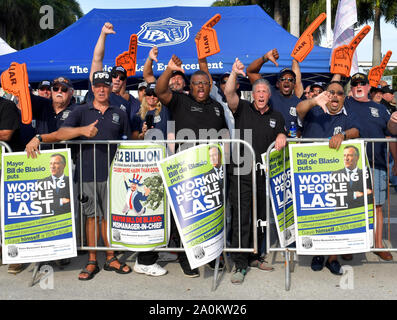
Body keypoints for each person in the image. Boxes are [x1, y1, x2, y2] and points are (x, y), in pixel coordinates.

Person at [26, 70, 133, 280]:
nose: (102, 89)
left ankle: (111, 257)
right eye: (98, 85)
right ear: (92, 88)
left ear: (111, 88)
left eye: (105, 85)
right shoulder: (81, 111)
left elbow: (128, 139)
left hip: (114, 175)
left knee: (108, 218)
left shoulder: (119, 112)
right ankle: (92, 259)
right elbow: (61, 134)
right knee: (92, 217)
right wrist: (81, 131)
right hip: (87, 174)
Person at [155, 54, 228, 278]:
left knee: (210, 211)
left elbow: (225, 134)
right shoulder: (180, 100)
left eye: (205, 83)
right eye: (197, 83)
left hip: (210, 171)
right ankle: (187, 259)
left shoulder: (217, 107)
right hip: (185, 171)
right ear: (191, 85)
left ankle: (214, 253)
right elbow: (159, 91)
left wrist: (221, 149)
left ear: (209, 86)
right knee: (185, 215)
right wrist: (168, 69)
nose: (201, 87)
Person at [224, 58, 287, 284]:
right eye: (257, 90)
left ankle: (256, 256)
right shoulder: (242, 108)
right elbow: (229, 93)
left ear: (269, 95)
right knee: (242, 218)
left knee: (261, 218)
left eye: (264, 91)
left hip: (263, 175)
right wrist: (233, 73)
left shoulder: (276, 116)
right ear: (253, 93)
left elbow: (282, 133)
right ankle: (239, 264)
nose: (261, 94)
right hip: (241, 173)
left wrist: (282, 136)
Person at [297, 83, 362, 274]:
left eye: (339, 93)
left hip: (338, 176)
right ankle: (317, 253)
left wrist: (343, 135)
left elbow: (356, 131)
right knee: (316, 214)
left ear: (344, 97)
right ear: (326, 94)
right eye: (331, 92)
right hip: (313, 176)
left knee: (337, 214)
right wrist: (313, 101)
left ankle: (332, 258)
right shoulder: (314, 109)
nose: (334, 97)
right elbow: (300, 110)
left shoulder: (349, 114)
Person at [344, 72, 394, 261]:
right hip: (352, 166)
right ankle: (348, 245)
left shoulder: (380, 109)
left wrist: (396, 161)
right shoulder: (346, 104)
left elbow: (391, 133)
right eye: (354, 83)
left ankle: (378, 244)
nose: (358, 86)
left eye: (362, 83)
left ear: (368, 87)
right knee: (350, 205)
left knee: (377, 206)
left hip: (377, 162)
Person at [87, 22, 140, 125]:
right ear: (109, 78)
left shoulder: (125, 104)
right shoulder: (98, 92)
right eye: (114, 76)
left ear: (124, 82)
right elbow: (97, 60)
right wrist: (103, 34)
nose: (117, 79)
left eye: (121, 78)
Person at [246, 48, 303, 133]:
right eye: (283, 79)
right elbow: (251, 72)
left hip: (289, 144)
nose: (286, 81)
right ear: (277, 84)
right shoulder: (270, 93)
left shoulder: (299, 102)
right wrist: (264, 58)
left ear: (294, 84)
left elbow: (301, 128)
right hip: (270, 144)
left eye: (290, 80)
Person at [0, 96, 23, 274]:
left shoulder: (6, 106)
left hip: (9, 170)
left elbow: (6, 133)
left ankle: (16, 256)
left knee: (12, 214)